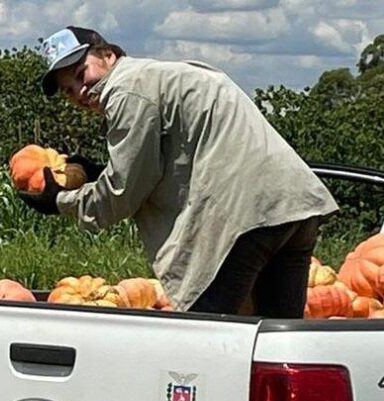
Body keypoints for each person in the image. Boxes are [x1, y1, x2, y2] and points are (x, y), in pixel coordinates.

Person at [21, 26, 339, 316]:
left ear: (108, 54)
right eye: (68, 89)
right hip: (294, 208)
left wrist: (61, 201)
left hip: (245, 219)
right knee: (273, 338)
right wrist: (100, 172)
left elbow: (122, 195)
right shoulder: (158, 76)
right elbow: (168, 164)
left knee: (208, 333)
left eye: (80, 72)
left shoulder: (126, 91)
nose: (79, 90)